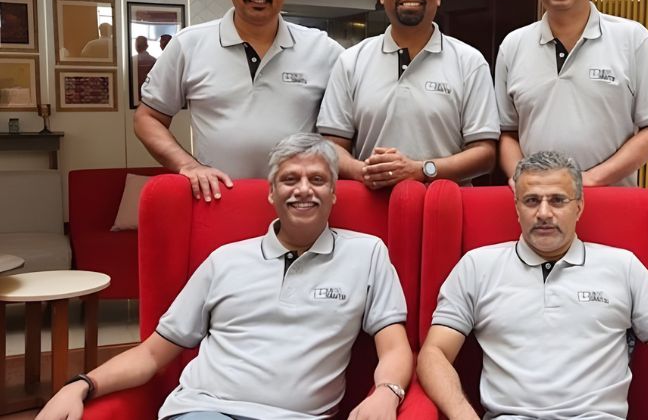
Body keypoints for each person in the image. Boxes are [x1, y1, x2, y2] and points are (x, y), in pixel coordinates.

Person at [36, 133, 412, 420]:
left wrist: (387, 392)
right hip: (204, 410)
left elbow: (395, 347)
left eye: (317, 179)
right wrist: (81, 385)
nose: (303, 189)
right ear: (271, 193)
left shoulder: (367, 254)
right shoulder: (225, 260)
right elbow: (152, 353)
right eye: (289, 179)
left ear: (333, 193)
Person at [417, 150, 648, 420]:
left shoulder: (623, 267)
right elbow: (434, 353)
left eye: (558, 200)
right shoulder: (477, 266)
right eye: (531, 200)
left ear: (579, 206)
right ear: (516, 207)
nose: (544, 213)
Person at [134, 0, 343, 201]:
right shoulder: (188, 45)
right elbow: (147, 118)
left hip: (298, 203)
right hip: (219, 202)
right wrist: (188, 165)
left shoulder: (323, 50)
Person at [495, 0, 648, 188]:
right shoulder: (513, 45)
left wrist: (590, 180)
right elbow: (507, 133)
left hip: (610, 198)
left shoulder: (633, 39)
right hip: (535, 202)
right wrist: (521, 179)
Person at [316, 0, 499, 188]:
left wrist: (421, 170)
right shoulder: (351, 61)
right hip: (369, 203)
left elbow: (485, 154)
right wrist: (367, 172)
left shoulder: (469, 62)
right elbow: (331, 146)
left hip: (443, 205)